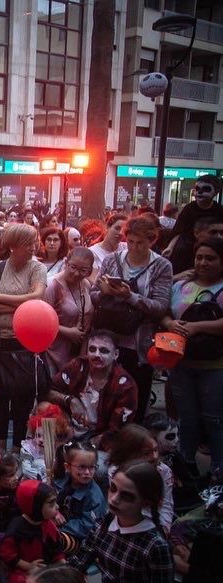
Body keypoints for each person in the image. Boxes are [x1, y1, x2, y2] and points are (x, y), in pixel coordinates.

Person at [91, 215, 172, 422]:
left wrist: (130, 297)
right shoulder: (112, 260)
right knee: (104, 397)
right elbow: (93, 295)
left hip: (139, 344)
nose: (134, 247)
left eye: (140, 243)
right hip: (109, 337)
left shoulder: (162, 266)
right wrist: (105, 292)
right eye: (131, 241)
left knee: (135, 398)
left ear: (151, 241)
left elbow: (160, 306)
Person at [68, 460, 174, 583]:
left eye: (127, 496)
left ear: (146, 502)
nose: (114, 499)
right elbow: (77, 563)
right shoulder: (104, 524)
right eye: (113, 488)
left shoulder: (155, 546)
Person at [0, 223, 48, 450]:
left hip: (26, 343)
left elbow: (38, 296)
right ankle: (0, 448)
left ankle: (19, 447)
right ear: (13, 246)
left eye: (34, 243)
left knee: (23, 400)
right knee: (0, 397)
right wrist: (22, 306)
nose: (33, 248)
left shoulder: (37, 268)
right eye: (28, 244)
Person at [162, 236, 223, 477]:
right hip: (181, 363)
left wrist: (199, 327)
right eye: (199, 257)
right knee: (186, 418)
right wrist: (170, 323)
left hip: (215, 366)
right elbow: (164, 312)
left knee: (214, 419)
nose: (203, 263)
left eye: (210, 258)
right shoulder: (181, 286)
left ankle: (218, 473)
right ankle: (185, 469)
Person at [46, 330, 137, 455]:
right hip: (69, 428)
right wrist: (70, 400)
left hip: (100, 437)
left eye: (104, 351)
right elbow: (48, 390)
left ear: (115, 354)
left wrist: (85, 448)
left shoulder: (125, 385)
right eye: (92, 349)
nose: (97, 355)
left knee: (98, 467)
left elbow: (116, 430)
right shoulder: (78, 365)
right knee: (43, 408)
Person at [43, 247, 95, 375]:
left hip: (79, 351)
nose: (77, 274)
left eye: (83, 270)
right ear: (66, 263)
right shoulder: (52, 286)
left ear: (89, 271)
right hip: (55, 351)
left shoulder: (85, 284)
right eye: (73, 267)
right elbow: (42, 322)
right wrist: (68, 332)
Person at [168, 173, 223, 273]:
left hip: (216, 248)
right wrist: (170, 248)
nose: (200, 192)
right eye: (197, 189)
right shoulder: (189, 209)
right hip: (188, 248)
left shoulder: (219, 210)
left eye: (206, 189)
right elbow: (178, 231)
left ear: (216, 192)